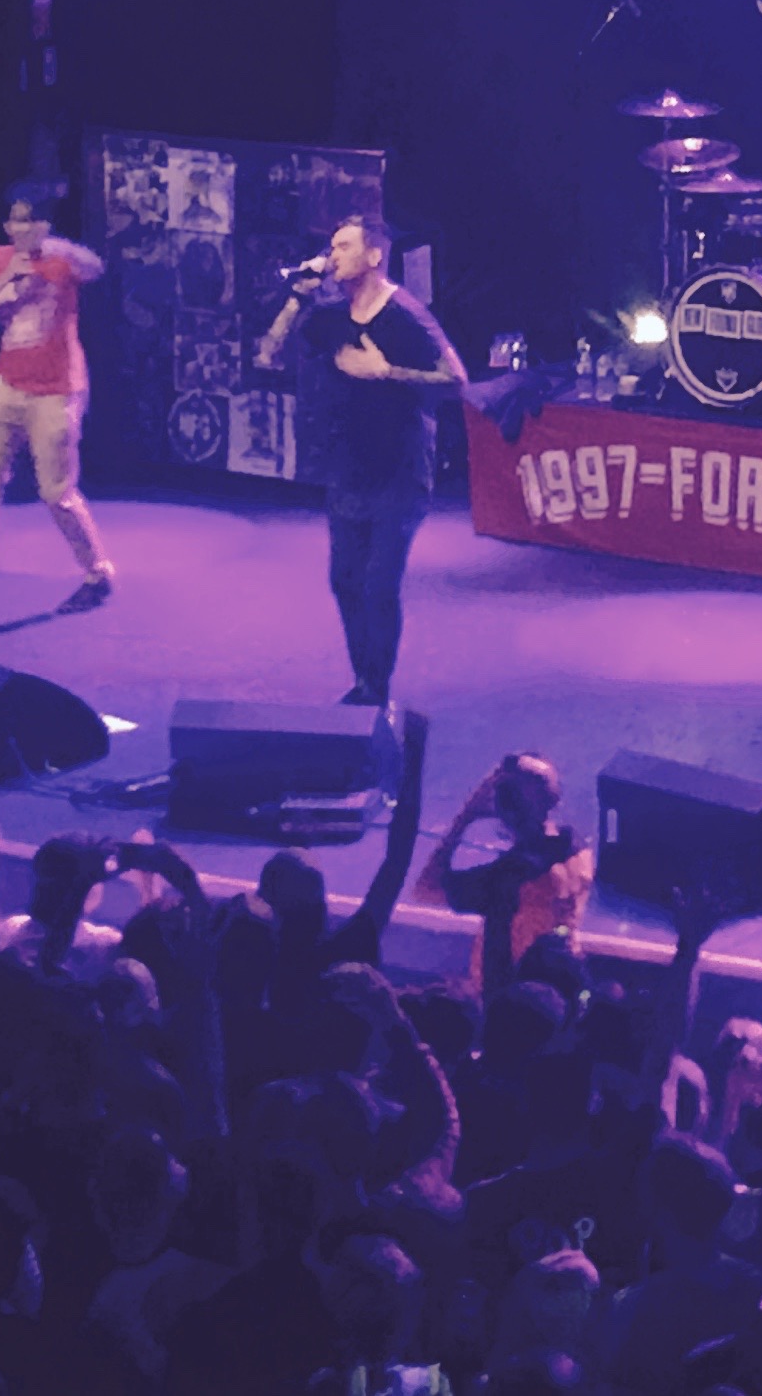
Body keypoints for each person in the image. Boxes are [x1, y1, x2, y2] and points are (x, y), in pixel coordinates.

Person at [253, 213, 466, 706]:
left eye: (344, 246)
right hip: (349, 467)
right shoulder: (330, 315)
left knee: (379, 585)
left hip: (402, 469)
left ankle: (375, 689)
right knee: (345, 581)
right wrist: (297, 297)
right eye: (332, 247)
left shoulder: (405, 314)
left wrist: (386, 371)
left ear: (374, 255)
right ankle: (364, 682)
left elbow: (456, 381)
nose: (334, 256)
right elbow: (268, 355)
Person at [0, 183, 114, 621]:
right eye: (14, 221)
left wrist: (52, 249)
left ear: (43, 224)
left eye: (29, 221)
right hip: (7, 386)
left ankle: (97, 574)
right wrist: (7, 275)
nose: (19, 229)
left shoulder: (62, 260)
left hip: (56, 391)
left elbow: (96, 267)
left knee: (56, 493)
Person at [419, 755, 591, 999]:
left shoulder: (512, 877)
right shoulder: (577, 849)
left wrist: (466, 816)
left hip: (510, 999)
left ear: (503, 806)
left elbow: (427, 888)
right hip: (562, 989)